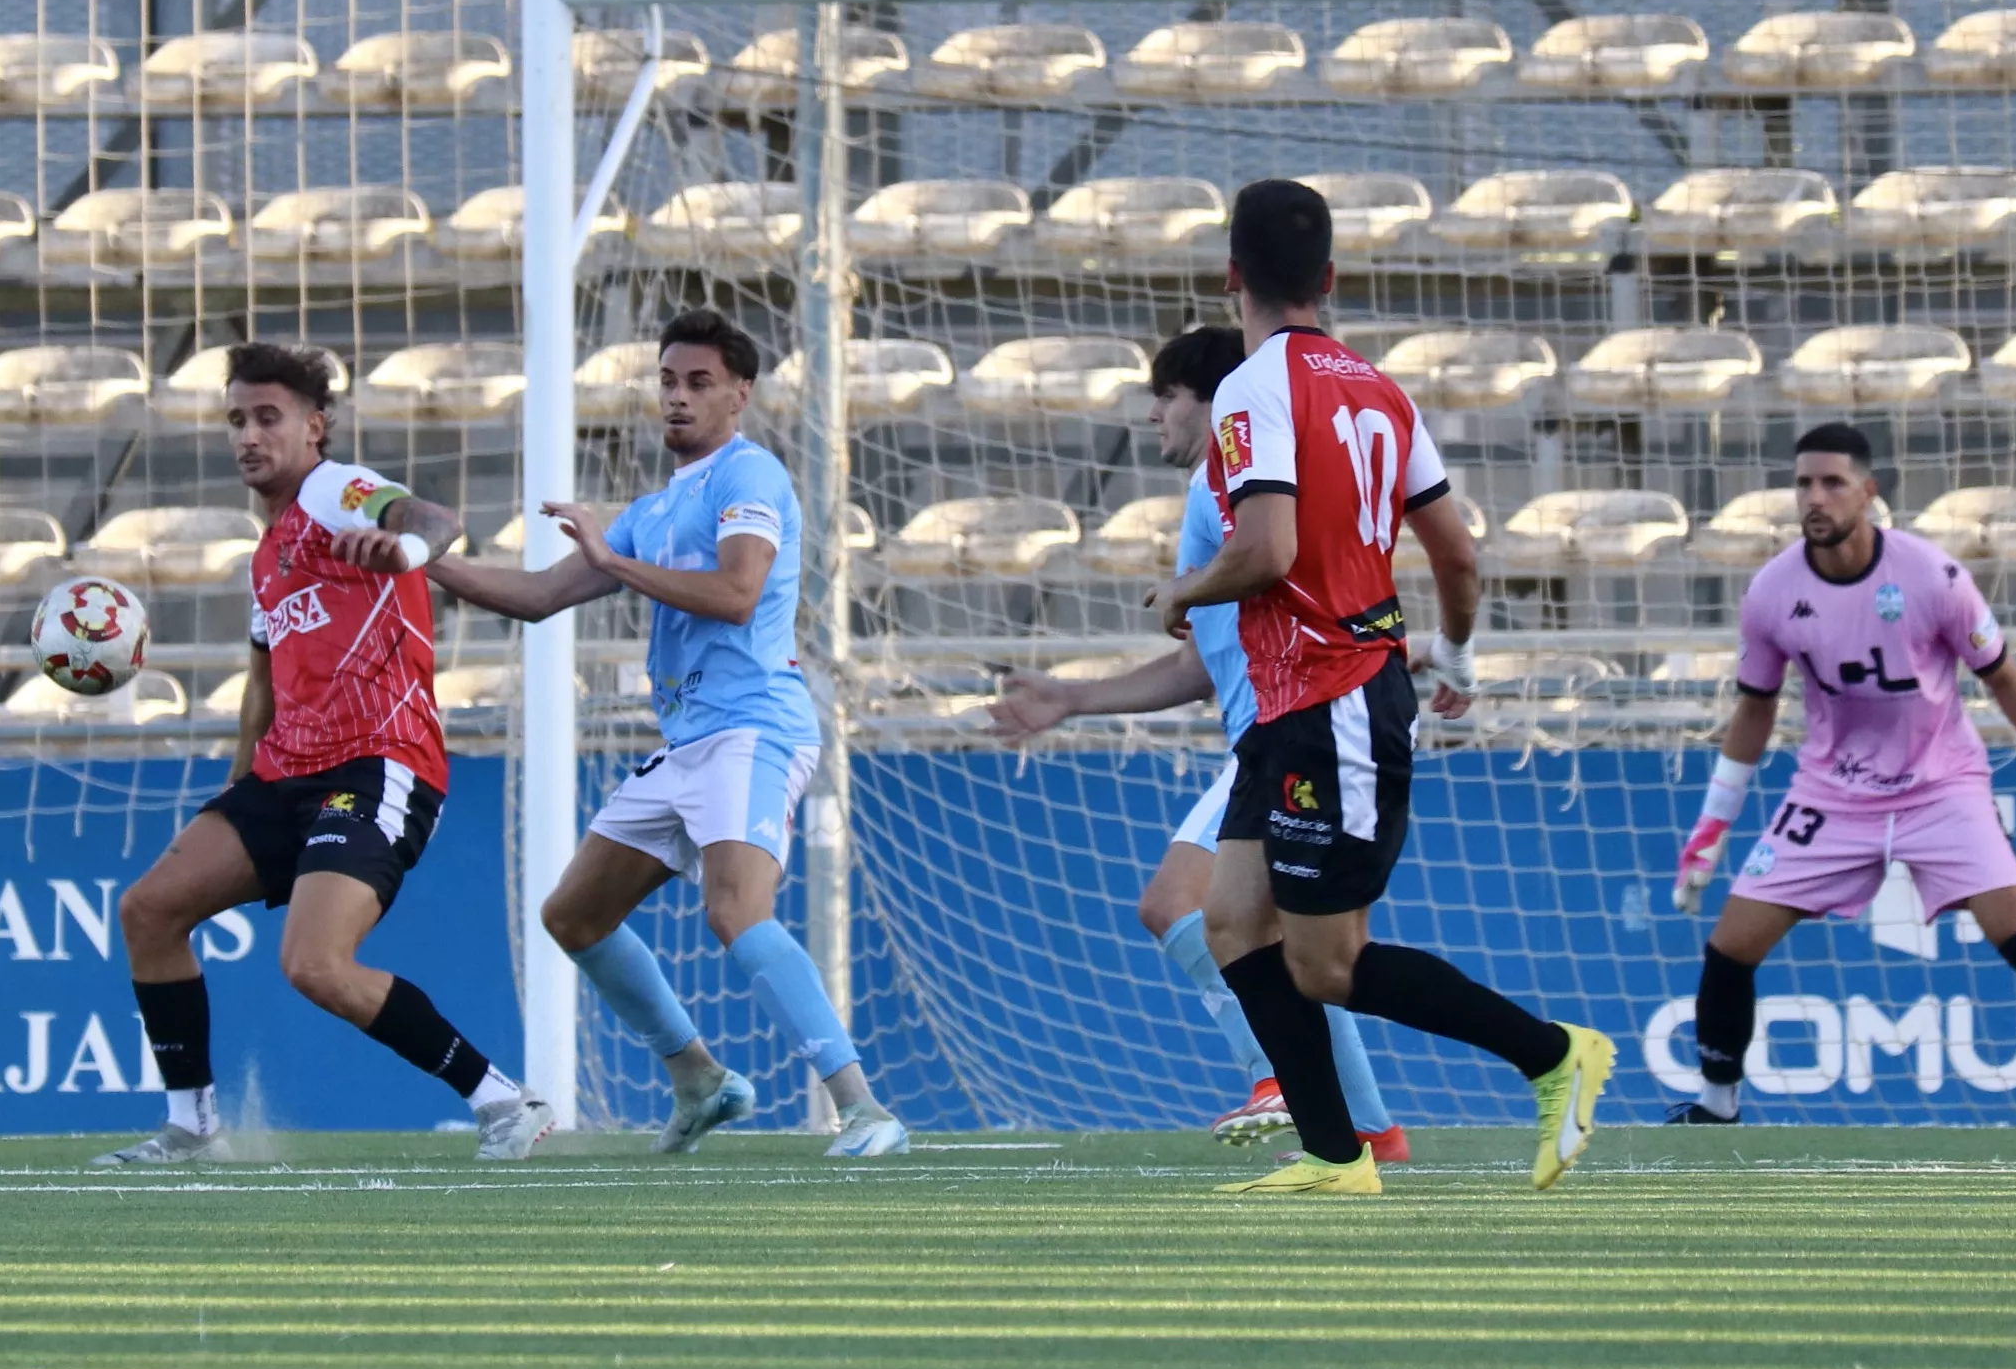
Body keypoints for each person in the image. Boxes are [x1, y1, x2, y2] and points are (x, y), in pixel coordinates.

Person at [1158, 178, 1613, 1196]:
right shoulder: (1379, 390)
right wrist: (1453, 653)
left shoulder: (1253, 388)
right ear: (1330, 278)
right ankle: (1335, 1154)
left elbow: (1267, 550)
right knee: (1230, 921)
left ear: (1231, 277)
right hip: (1297, 704)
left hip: (1334, 698)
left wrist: (1182, 588)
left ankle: (1553, 1055)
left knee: (1327, 963)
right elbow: (1455, 552)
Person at [430, 307, 909, 1158]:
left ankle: (864, 1109)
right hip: (689, 743)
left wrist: (613, 561)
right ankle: (698, 1078)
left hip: (755, 726)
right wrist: (419, 560)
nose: (677, 399)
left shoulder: (748, 479)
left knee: (736, 911)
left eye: (698, 383)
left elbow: (737, 595)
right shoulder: (655, 510)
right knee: (574, 916)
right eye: (667, 381)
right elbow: (539, 597)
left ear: (740, 395)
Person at [99, 343, 553, 1164]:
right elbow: (261, 679)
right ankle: (193, 1128)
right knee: (148, 911)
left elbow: (435, 522)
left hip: (377, 763)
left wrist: (405, 549)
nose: (248, 435)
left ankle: (504, 1101)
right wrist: (236, 794)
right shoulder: (266, 553)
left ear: (315, 427)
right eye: (236, 419)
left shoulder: (333, 490)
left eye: (267, 417)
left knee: (315, 964)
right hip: (283, 775)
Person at [989, 326, 1407, 1161]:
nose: (1153, 415)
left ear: (1221, 403)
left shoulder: (1252, 491)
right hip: (1266, 740)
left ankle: (1283, 1078)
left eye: (1168, 395)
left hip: (1300, 730)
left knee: (1188, 907)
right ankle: (1372, 1132)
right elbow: (1203, 661)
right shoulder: (1206, 502)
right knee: (1283, 944)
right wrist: (1073, 697)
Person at [1667, 422, 2016, 1127]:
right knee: (1731, 944)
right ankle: (1716, 1106)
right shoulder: (1772, 592)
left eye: (1833, 482)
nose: (1815, 497)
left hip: (1940, 785)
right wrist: (1714, 821)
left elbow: (2006, 680)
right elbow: (1755, 709)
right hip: (1833, 793)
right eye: (1804, 483)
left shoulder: (1932, 576)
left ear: (1869, 492)